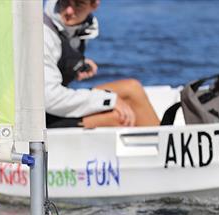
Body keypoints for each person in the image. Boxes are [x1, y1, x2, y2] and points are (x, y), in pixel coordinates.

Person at [43, 0, 160, 128]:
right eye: (65, 2)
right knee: (120, 118)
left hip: (55, 105)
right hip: (39, 116)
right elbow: (49, 98)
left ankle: (165, 144)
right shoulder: (43, 34)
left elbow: (56, 57)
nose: (69, 10)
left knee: (132, 88)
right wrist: (108, 100)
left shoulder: (76, 28)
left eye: (78, 4)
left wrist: (74, 65)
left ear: (94, 5)